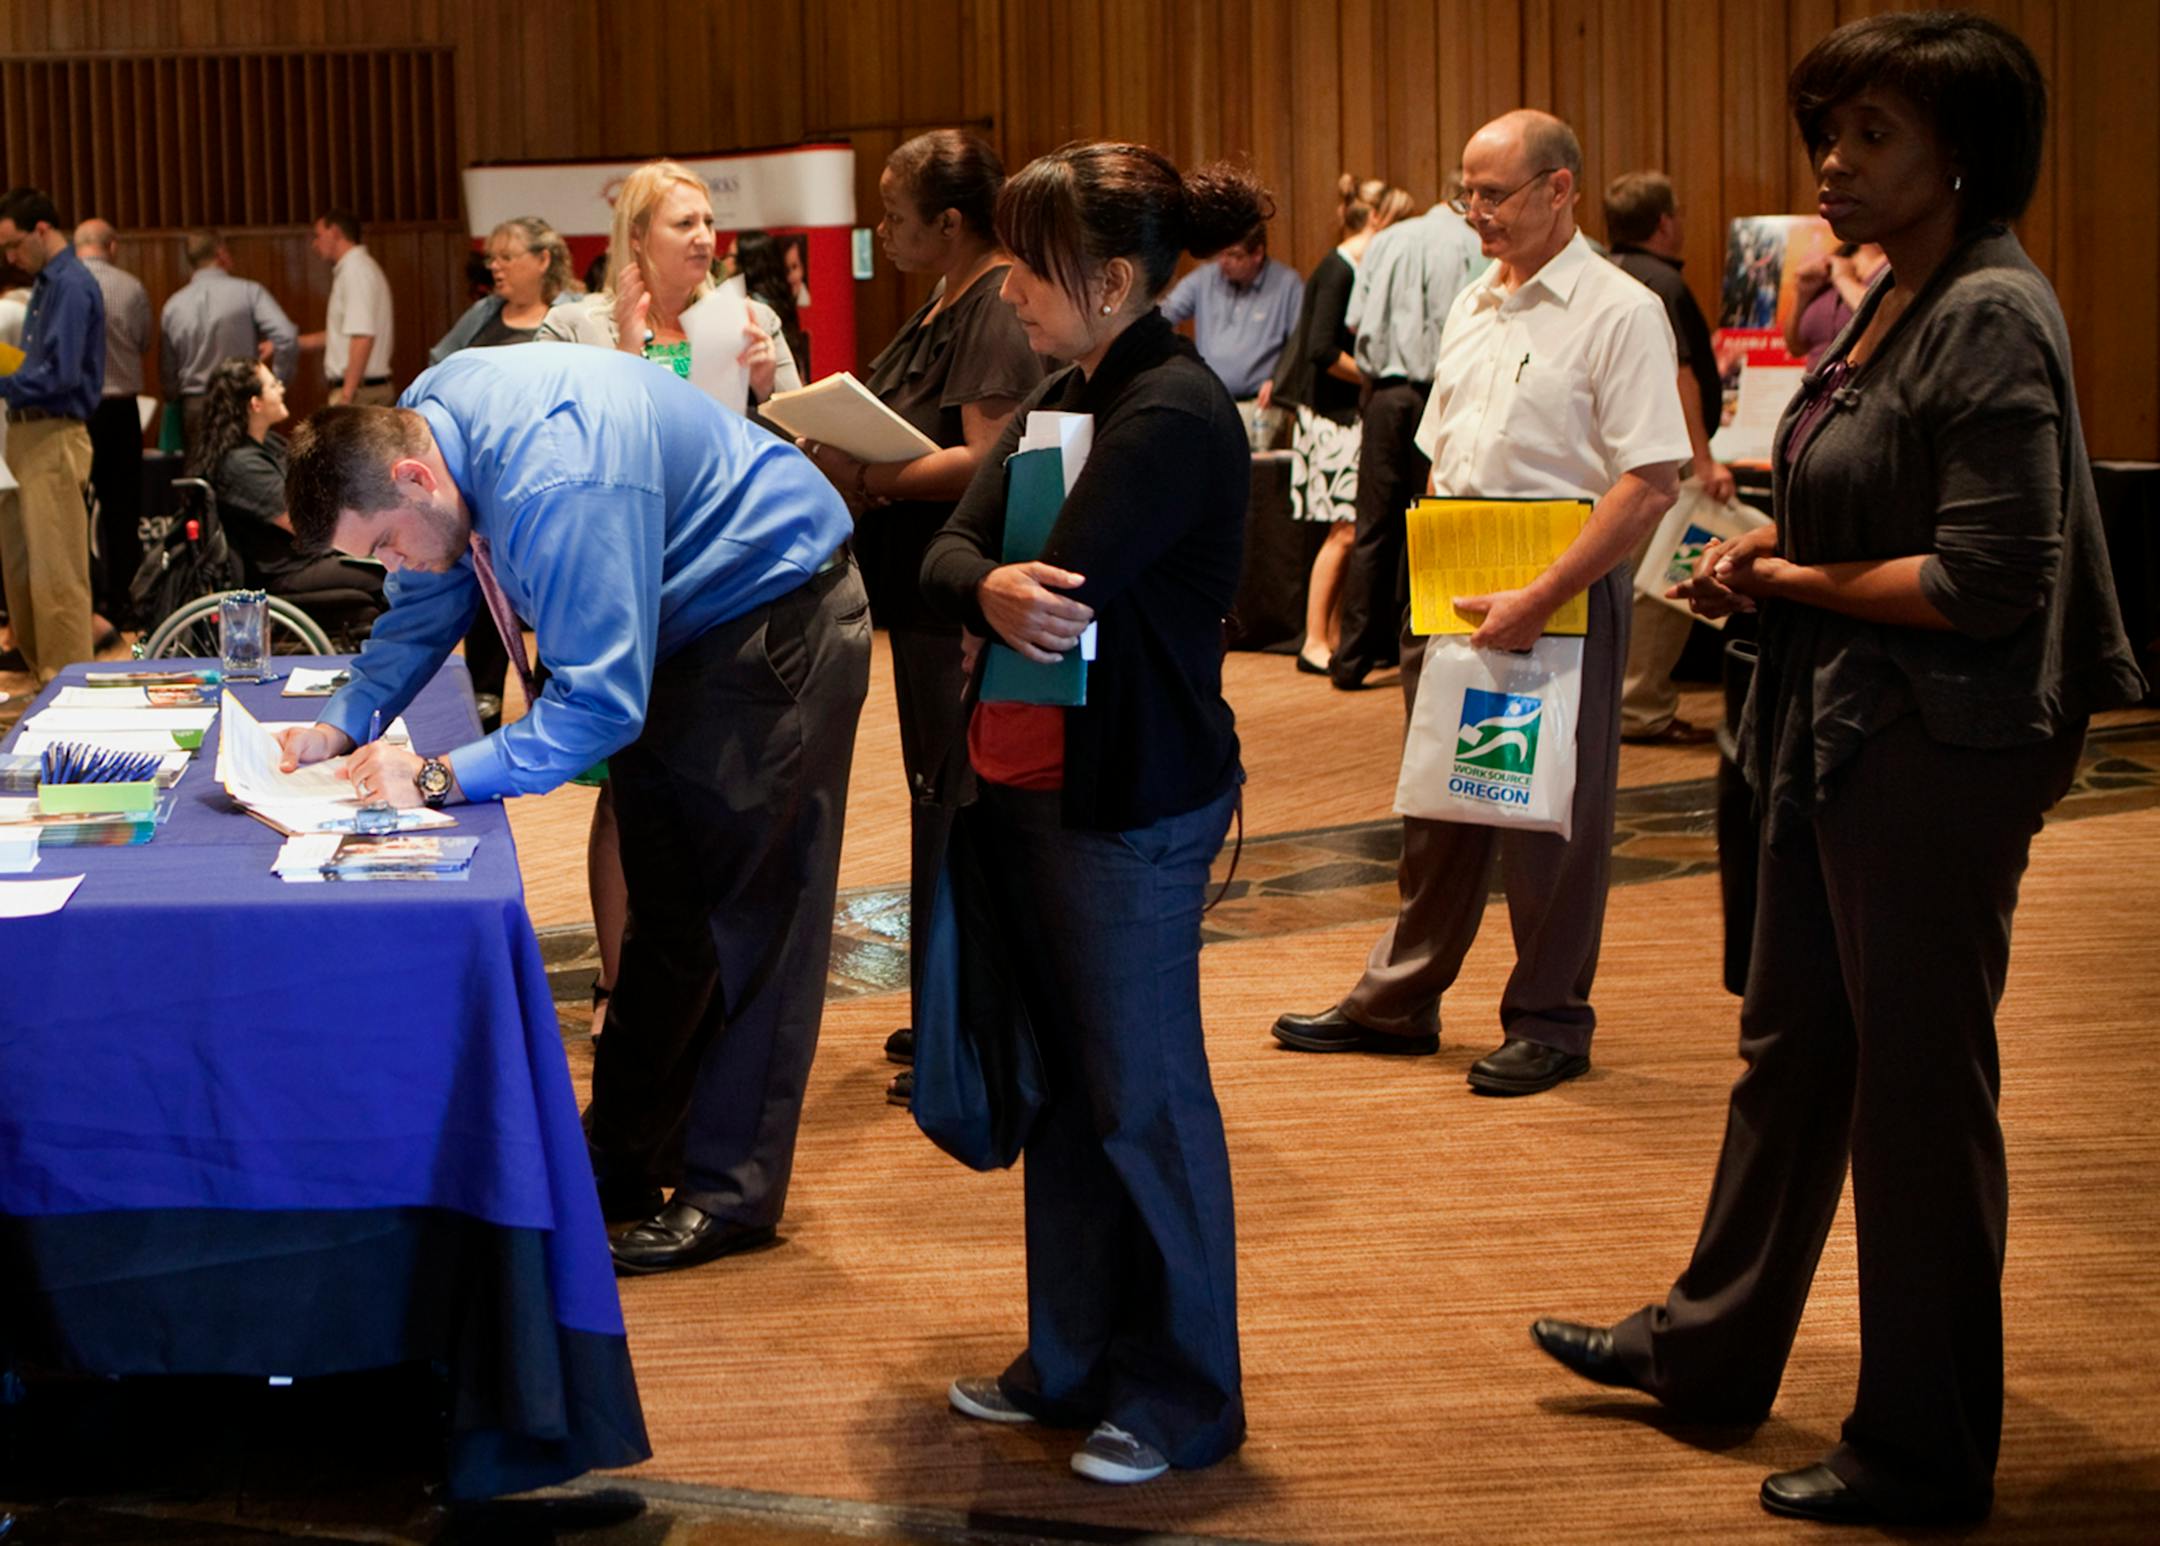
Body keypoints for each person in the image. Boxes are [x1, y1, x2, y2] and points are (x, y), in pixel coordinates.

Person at [1529, 13, 2147, 1525]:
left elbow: (1989, 580)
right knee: (1794, 1051)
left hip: (1940, 745)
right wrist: (1782, 568)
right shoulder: (1890, 297)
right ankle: (1710, 1352)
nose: (1836, 159)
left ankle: (1923, 1450)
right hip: (1843, 725)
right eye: (1833, 129)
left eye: (1875, 134)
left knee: (1919, 1100)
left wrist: (1794, 580)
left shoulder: (1990, 309)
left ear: (1963, 154)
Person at [274, 345, 871, 1277]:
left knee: (757, 923)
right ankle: (622, 1162)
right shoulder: (431, 426)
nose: (392, 561)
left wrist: (435, 779)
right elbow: (434, 587)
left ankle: (731, 1193)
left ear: (411, 473)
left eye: (385, 538)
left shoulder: (558, 474)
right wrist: (345, 723)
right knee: (672, 921)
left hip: (772, 626)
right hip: (681, 633)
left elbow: (596, 704)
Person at [921, 141, 1258, 1487]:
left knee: (1145, 1098)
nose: (1007, 283)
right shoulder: (1080, 390)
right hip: (1028, 788)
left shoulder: (1167, 410)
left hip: (1123, 800)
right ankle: (1069, 1357)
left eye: (1030, 258)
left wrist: (991, 584)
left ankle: (1186, 1393)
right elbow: (948, 551)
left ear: (1113, 277)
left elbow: (1054, 579)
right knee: (1066, 1091)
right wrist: (982, 587)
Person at [1271, 110, 1691, 1094]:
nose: (1475, 212)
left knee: (1547, 819)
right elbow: (1443, 453)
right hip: (1456, 575)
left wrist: (1543, 594)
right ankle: (1399, 999)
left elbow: (1650, 480)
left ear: (1560, 191)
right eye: (1467, 191)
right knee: (1440, 809)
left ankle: (1550, 1018)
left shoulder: (1618, 310)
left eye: (1493, 194)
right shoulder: (1472, 303)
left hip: (1559, 586)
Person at [794, 129, 1042, 1103]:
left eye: (895, 216)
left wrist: (871, 476)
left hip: (961, 595)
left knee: (962, 795)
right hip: (925, 596)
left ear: (950, 222)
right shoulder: (947, 298)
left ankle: (970, 1021)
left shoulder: (993, 305)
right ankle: (949, 1002)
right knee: (938, 788)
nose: (881, 232)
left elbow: (993, 455)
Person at [1327, 179, 1484, 691]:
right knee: (1434, 525)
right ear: (1466, 202)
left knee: (1371, 526)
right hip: (1444, 394)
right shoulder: (1472, 245)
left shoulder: (1388, 240)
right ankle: (1426, 650)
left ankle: (1351, 660)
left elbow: (1355, 322)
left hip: (1384, 396)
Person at [1603, 169, 1734, 745]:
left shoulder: (1603, 275)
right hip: (1667, 458)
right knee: (1665, 583)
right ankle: (1643, 706)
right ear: (1664, 223)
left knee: (1624, 575)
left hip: (1616, 452)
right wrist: (1703, 461)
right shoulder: (1665, 283)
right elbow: (1680, 374)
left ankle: (1619, 699)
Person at [1269, 173, 1415, 675]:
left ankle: (1330, 634)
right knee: (1345, 532)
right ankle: (1313, 638)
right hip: (1329, 419)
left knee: (1351, 529)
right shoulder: (1339, 269)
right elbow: (1321, 350)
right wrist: (1379, 374)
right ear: (1377, 220)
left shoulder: (1362, 264)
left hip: (1349, 416)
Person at [536, 159, 796, 407]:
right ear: (636, 236)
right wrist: (626, 353)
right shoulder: (571, 330)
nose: (704, 238)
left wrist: (764, 391)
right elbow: (554, 435)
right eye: (685, 224)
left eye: (708, 223)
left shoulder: (755, 323)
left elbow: (798, 441)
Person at [187, 355, 384, 622]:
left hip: (307, 559)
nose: (281, 388)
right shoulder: (240, 465)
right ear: (255, 403)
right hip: (285, 571)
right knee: (388, 574)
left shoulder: (268, 444)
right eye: (273, 384)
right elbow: (301, 522)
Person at [0, 187, 105, 685]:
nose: (10, 257)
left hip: (54, 432)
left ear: (42, 230)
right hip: (26, 432)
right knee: (23, 574)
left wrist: (5, 380)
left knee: (57, 574)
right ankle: (44, 678)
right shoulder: (45, 284)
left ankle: (65, 687)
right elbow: (39, 368)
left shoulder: (71, 283)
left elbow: (60, 375)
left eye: (14, 244)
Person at [71, 218, 150, 637]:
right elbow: (140, 340)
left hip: (76, 411)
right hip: (121, 408)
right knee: (123, 513)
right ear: (112, 246)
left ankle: (82, 606)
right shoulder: (131, 286)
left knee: (74, 513)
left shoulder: (62, 287)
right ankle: (124, 604)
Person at [1158, 210, 1301, 443]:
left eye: (1234, 255)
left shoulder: (1287, 284)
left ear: (1257, 254)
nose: (1224, 262)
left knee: (1258, 478)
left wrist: (1280, 379)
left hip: (1259, 407)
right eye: (1222, 254)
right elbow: (1164, 314)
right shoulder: (1205, 279)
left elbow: (1299, 343)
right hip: (1209, 403)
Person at [159, 228, 301, 448]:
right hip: (241, 400)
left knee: (199, 475)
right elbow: (286, 336)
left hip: (195, 404)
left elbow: (168, 370)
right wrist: (278, 382)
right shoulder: (248, 292)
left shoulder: (173, 305)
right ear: (221, 253)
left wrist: (174, 396)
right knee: (245, 470)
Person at [428, 215, 580, 364]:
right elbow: (439, 361)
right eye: (492, 259)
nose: (494, 266)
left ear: (543, 260)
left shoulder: (576, 313)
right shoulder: (484, 311)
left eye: (506, 257)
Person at [299, 209, 396, 407]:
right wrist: (289, 343)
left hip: (359, 392)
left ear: (334, 232)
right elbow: (341, 335)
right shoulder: (354, 269)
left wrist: (346, 396)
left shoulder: (356, 271)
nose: (314, 244)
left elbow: (363, 336)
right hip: (361, 388)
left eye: (318, 236)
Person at [1785, 239, 1886, 366]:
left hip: (1866, 383)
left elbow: (1887, 322)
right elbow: (1795, 348)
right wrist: (1802, 294)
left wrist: (1843, 279)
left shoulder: (1900, 266)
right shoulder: (1833, 261)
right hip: (1814, 383)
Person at [729, 230, 810, 379]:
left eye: (732, 257)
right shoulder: (782, 300)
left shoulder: (752, 309)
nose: (725, 263)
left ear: (748, 263)